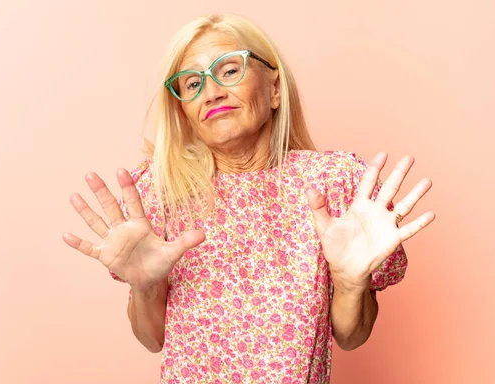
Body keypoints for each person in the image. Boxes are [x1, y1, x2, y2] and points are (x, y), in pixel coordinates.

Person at [62, 13, 435, 384]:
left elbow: (351, 337)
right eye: (192, 83)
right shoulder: (160, 195)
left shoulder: (332, 183)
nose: (211, 93)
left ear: (274, 88)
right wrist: (143, 287)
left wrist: (352, 282)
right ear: (186, 112)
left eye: (228, 70)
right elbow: (152, 338)